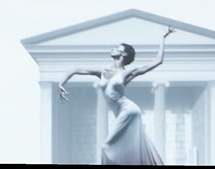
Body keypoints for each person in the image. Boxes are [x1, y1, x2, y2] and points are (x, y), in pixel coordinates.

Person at [58, 27, 175, 166]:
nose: (113, 49)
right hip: (121, 113)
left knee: (106, 147)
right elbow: (75, 70)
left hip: (129, 111)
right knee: (123, 150)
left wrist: (163, 38)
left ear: (123, 54)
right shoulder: (102, 71)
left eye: (117, 48)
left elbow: (158, 61)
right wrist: (61, 84)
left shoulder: (125, 74)